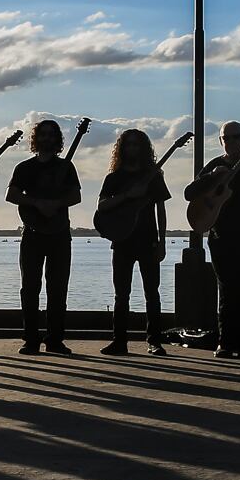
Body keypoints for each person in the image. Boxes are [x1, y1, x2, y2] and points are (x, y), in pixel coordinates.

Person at [183, 121, 240, 359]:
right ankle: (225, 342)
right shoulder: (215, 165)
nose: (232, 141)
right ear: (221, 141)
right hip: (220, 238)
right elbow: (189, 193)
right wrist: (211, 177)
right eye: (228, 137)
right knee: (226, 291)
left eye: (237, 137)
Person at [6, 119, 82, 354]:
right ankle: (30, 339)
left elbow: (76, 196)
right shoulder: (25, 168)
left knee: (58, 288)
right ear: (36, 139)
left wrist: (56, 203)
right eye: (43, 134)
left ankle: (55, 340)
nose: (47, 138)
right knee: (29, 288)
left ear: (57, 140)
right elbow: (12, 194)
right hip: (33, 233)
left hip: (59, 234)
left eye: (52, 134)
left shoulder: (66, 168)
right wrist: (37, 203)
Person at [94, 128, 169, 355]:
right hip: (122, 241)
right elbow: (102, 206)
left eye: (137, 144)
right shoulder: (114, 178)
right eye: (129, 144)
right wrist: (127, 196)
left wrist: (162, 241)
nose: (133, 148)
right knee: (121, 294)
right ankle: (119, 342)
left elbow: (161, 210)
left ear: (144, 148)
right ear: (123, 148)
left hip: (148, 241)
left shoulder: (153, 176)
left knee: (152, 293)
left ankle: (154, 341)